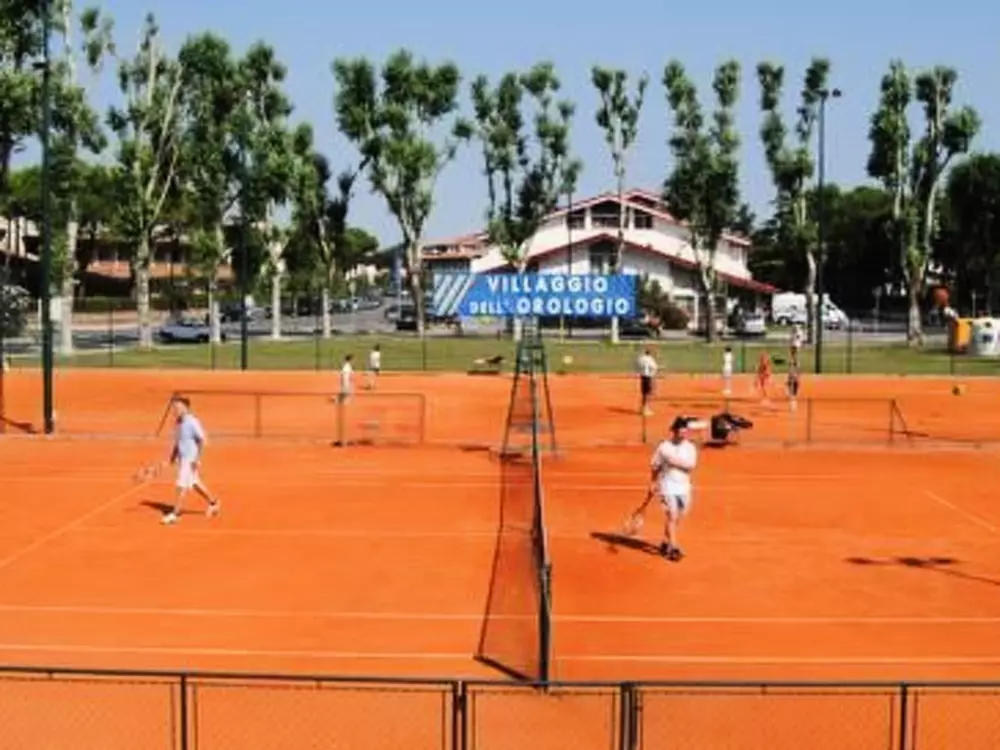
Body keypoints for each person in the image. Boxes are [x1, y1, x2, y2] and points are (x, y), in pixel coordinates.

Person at [161, 396, 220, 525]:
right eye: (174, 407)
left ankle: (175, 514)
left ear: (186, 408)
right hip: (183, 459)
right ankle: (214, 503)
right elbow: (178, 442)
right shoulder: (178, 422)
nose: (176, 410)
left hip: (190, 459)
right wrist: (172, 458)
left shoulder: (192, 422)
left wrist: (197, 459)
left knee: (181, 485)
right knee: (194, 483)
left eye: (178, 407)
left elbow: (202, 440)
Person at [648, 416, 699, 561]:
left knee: (679, 516)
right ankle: (674, 548)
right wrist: (653, 483)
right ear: (674, 432)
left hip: (684, 487)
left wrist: (672, 461)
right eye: (681, 432)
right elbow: (655, 466)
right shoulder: (663, 447)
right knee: (672, 515)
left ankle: (665, 542)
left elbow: (691, 465)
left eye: (685, 432)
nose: (684, 435)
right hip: (667, 486)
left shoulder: (690, 447)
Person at [637, 347, 658, 416]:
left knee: (644, 393)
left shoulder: (641, 358)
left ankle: (642, 408)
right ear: (650, 353)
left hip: (642, 376)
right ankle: (645, 409)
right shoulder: (651, 359)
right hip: (649, 377)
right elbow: (654, 367)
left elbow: (638, 365)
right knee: (648, 393)